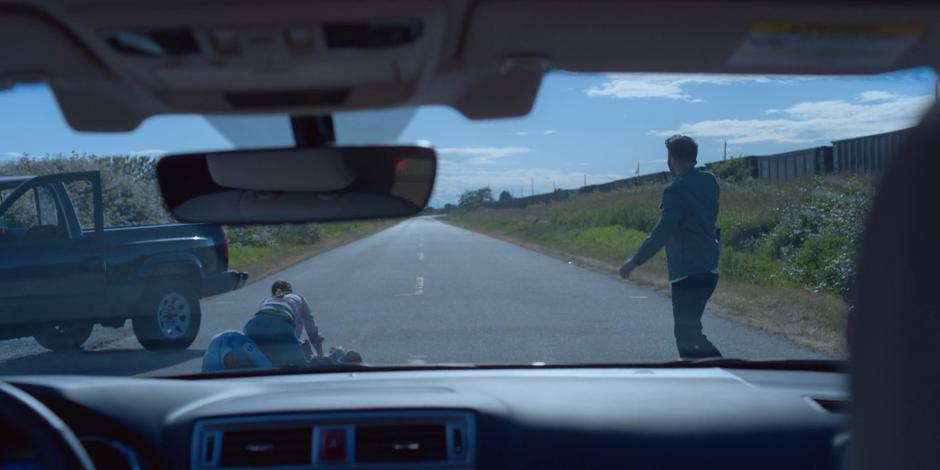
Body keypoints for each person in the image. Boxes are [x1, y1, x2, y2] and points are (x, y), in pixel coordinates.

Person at [618, 135, 722, 359]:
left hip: (687, 272)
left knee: (687, 333)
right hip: (710, 268)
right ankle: (710, 376)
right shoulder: (710, 181)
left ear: (673, 159)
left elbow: (662, 231)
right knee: (690, 330)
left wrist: (634, 261)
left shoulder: (675, 190)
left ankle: (723, 372)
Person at [243, 280, 325, 367]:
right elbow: (311, 329)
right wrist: (320, 355)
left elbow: (265, 324)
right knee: (301, 367)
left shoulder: (267, 301)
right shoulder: (298, 298)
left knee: (254, 363)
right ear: (290, 291)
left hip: (252, 326)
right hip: (281, 325)